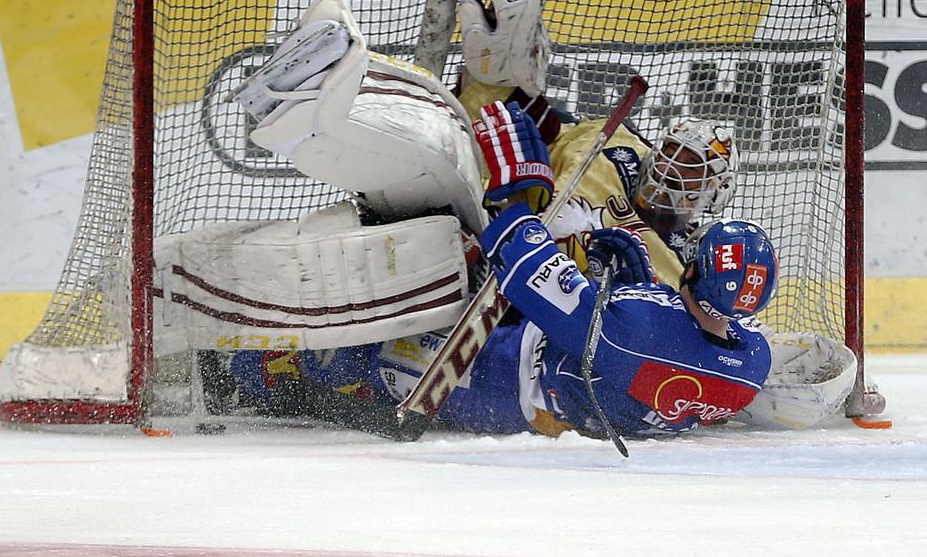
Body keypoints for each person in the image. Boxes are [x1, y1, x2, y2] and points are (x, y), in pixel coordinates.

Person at [231, 100, 776, 438]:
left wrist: (517, 197)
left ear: (695, 275)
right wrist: (630, 281)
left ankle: (239, 377)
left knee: (372, 358)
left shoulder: (636, 329)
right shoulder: (753, 356)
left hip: (499, 380)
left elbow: (529, 271)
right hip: (565, 367)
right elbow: (658, 345)